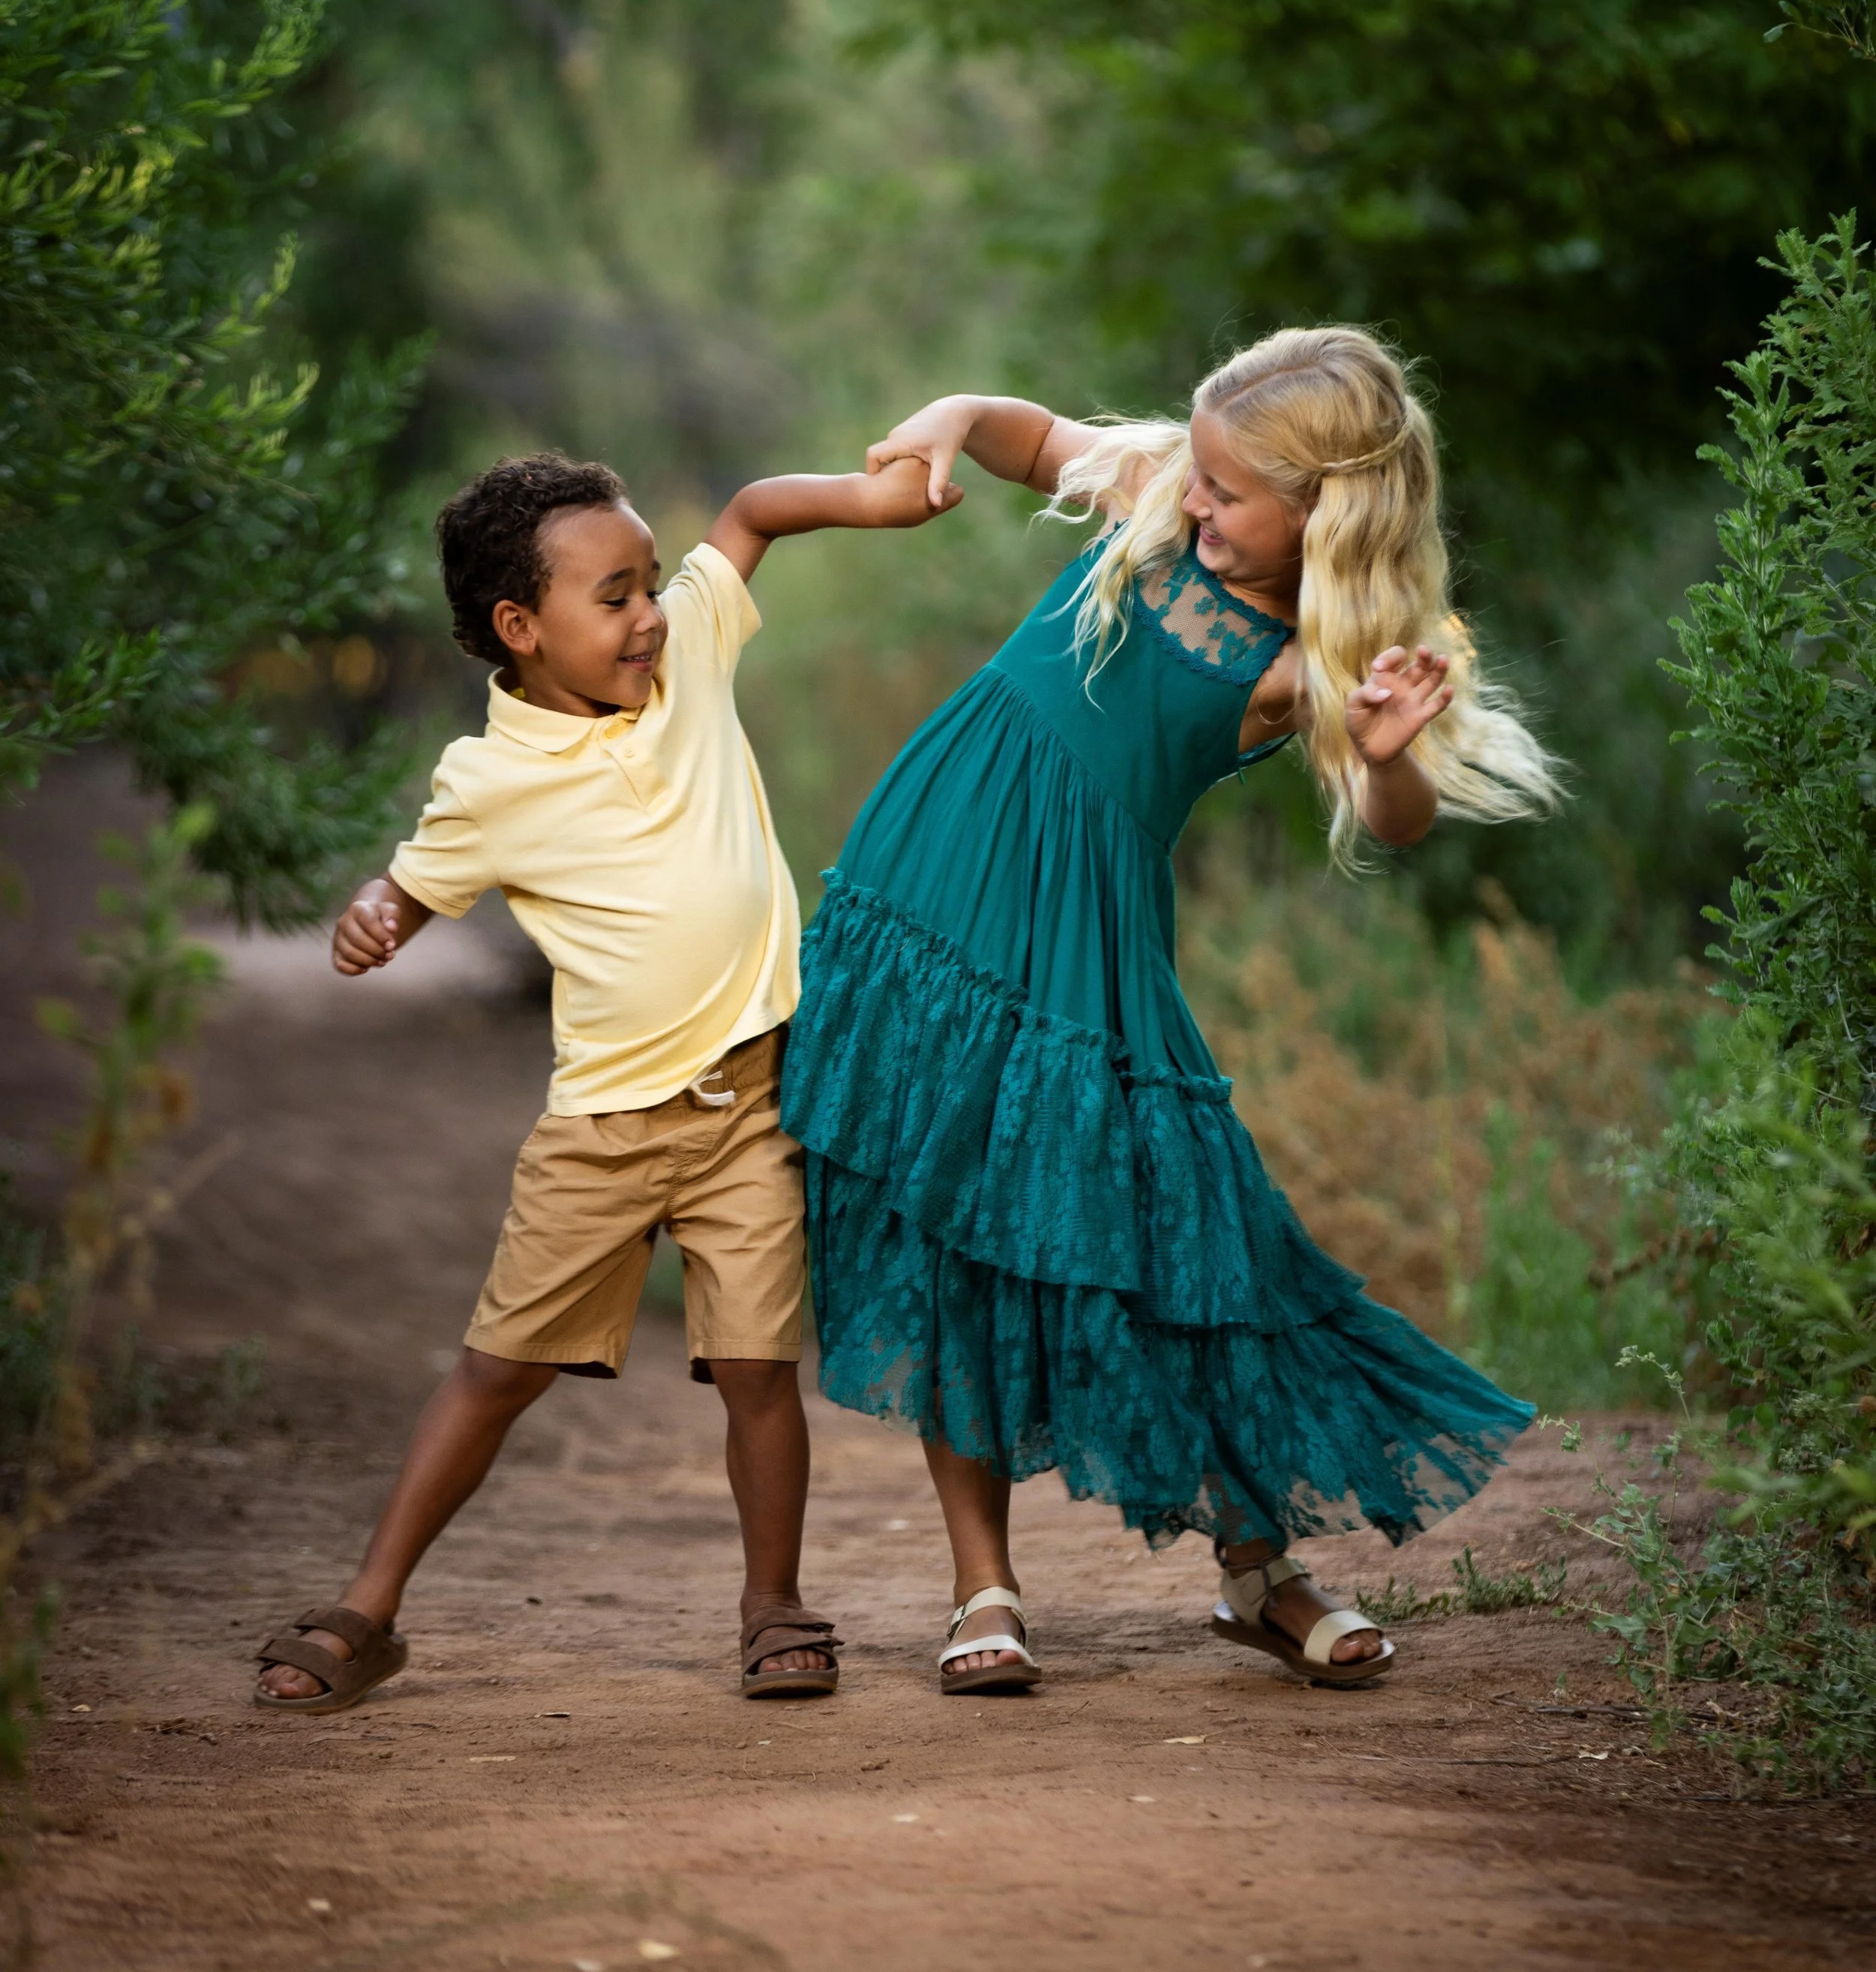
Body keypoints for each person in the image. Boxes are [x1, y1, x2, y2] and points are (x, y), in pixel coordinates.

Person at [781, 326, 1560, 1695]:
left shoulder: (1327, 649)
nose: (1193, 501)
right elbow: (1035, 436)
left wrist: (1387, 763)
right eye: (1195, 473)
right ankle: (985, 1588)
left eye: (1226, 493)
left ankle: (1258, 1573)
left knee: (1189, 1241)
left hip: (1085, 942)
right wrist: (953, 409)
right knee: (945, 1226)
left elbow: (1399, 808)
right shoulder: (1161, 482)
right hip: (925, 891)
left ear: (1323, 510)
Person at [254, 443, 955, 1716]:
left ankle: (773, 1604)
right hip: (601, 1130)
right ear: (519, 627)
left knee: (757, 1369)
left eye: (648, 583)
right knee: (500, 1368)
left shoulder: (686, 661)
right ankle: (368, 1609)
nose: (649, 617)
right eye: (616, 597)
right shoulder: (491, 780)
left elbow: (748, 514)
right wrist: (370, 915)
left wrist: (876, 501)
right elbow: (412, 883)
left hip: (751, 1106)